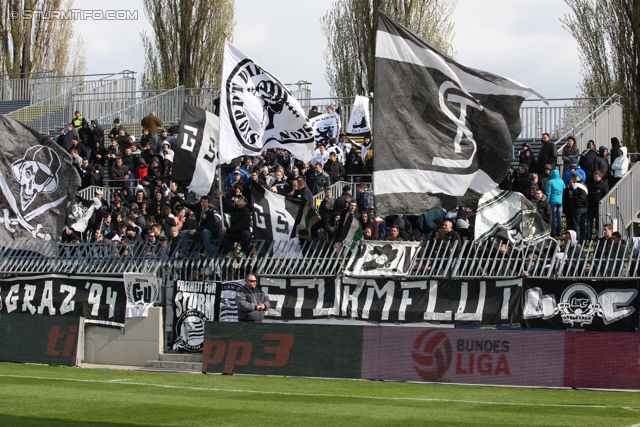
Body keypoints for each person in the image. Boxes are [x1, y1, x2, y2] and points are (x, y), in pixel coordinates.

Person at [587, 171, 609, 240]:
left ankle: (597, 237)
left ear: (600, 177)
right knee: (589, 222)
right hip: (591, 206)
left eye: (596, 176)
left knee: (598, 223)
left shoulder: (604, 186)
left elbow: (606, 196)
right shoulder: (591, 185)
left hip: (598, 206)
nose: (594, 178)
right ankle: (588, 237)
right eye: (594, 176)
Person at [545, 169, 565, 236]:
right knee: (559, 217)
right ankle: (559, 232)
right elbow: (563, 189)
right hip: (560, 201)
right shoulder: (561, 181)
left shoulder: (550, 182)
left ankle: (553, 232)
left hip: (552, 201)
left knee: (553, 217)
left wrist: (546, 201)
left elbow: (548, 192)